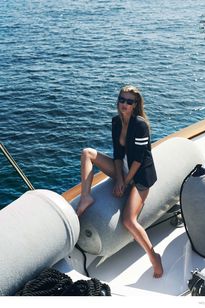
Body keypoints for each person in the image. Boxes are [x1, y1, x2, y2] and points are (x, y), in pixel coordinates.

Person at [76, 85, 163, 278]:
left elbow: (139, 160)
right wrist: (119, 179)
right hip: (123, 169)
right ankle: (85, 197)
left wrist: (126, 181)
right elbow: (117, 154)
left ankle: (153, 256)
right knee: (87, 153)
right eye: (121, 100)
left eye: (129, 101)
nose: (124, 104)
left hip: (139, 175)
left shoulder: (140, 125)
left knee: (128, 220)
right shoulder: (116, 122)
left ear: (135, 104)